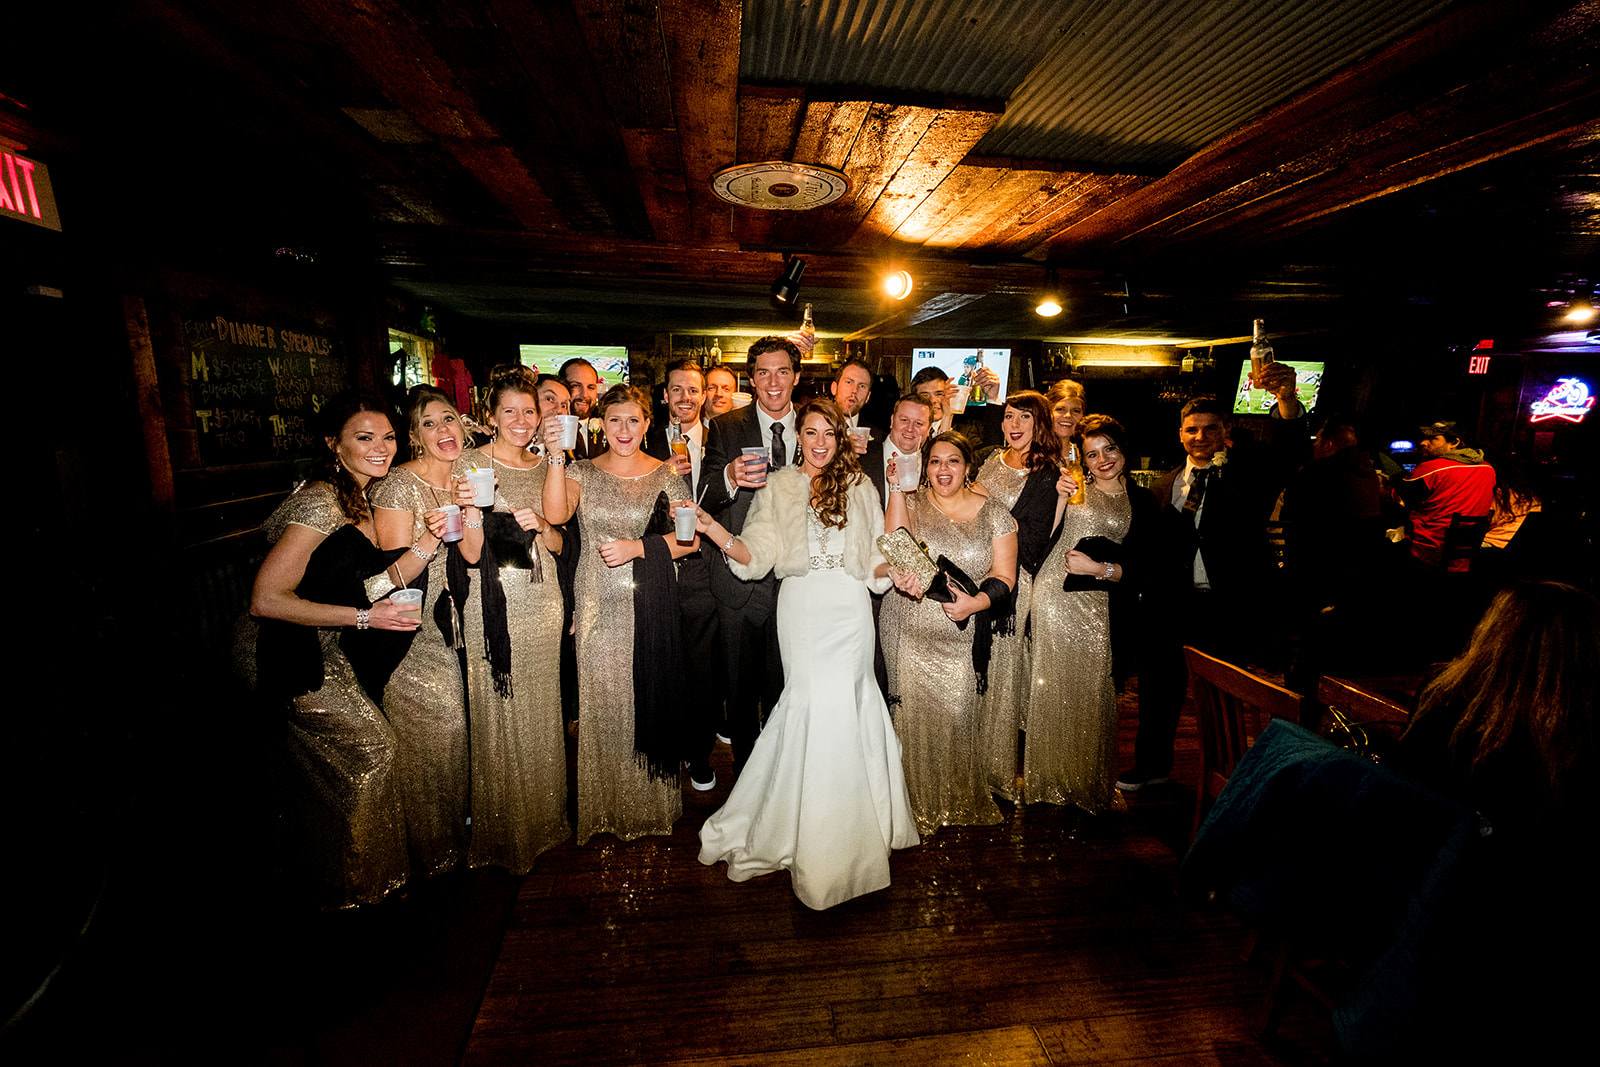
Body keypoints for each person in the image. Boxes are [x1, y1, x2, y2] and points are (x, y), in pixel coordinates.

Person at [695, 399, 919, 909]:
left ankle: (860, 829)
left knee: (851, 704)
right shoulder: (779, 485)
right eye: (811, 432)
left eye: (829, 434)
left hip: (850, 610)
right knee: (812, 705)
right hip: (802, 610)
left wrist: (903, 572)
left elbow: (876, 559)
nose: (820, 442)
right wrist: (716, 533)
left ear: (840, 440)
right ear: (799, 437)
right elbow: (757, 557)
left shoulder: (861, 485)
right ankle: (808, 832)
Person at [243, 391, 414, 908]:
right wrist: (367, 619)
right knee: (373, 751)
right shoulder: (321, 499)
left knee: (331, 772)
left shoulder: (360, 496)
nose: (380, 447)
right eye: (364, 438)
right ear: (333, 445)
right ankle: (359, 893)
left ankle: (347, 880)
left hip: (325, 643)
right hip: (282, 649)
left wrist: (426, 544)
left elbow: (365, 583)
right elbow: (265, 600)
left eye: (387, 436)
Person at [1120, 372, 1306, 793]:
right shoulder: (1165, 485)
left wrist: (1287, 400)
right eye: (1192, 429)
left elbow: (1292, 451)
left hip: (1230, 605)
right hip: (1173, 606)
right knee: (1158, 691)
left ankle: (1234, 771)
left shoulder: (1251, 476)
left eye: (1209, 429)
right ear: (1180, 434)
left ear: (1225, 432)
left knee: (1228, 695)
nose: (1200, 436)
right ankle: (1152, 767)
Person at [542, 383, 697, 843]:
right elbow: (555, 513)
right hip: (595, 601)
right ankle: (606, 807)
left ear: (648, 424)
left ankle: (650, 805)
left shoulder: (667, 474)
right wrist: (555, 455)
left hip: (651, 602)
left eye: (634, 420)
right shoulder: (582, 471)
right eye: (614, 420)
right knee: (604, 702)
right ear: (600, 425)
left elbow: (688, 541)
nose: (624, 430)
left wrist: (638, 547)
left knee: (650, 695)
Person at [454, 365, 570, 874]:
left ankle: (545, 819)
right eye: (510, 411)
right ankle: (506, 829)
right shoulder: (468, 464)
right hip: (492, 602)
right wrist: (476, 509)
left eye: (530, 410)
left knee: (543, 707)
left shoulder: (546, 463)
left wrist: (544, 520)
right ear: (491, 416)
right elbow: (471, 553)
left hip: (544, 602)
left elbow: (561, 536)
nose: (522, 419)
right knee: (497, 708)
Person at [882, 431, 1018, 835]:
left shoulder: (996, 513)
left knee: (957, 713)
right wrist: (894, 488)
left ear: (968, 466)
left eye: (953, 461)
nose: (944, 469)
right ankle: (907, 804)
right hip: (907, 625)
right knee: (908, 716)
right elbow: (897, 546)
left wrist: (975, 604)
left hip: (961, 632)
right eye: (935, 461)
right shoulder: (912, 503)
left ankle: (953, 795)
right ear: (925, 467)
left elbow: (1004, 576)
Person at [371, 385, 480, 876]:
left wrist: (473, 510)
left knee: (468, 729)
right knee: (441, 729)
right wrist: (430, 535)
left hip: (468, 616)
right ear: (414, 437)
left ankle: (462, 828)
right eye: (429, 424)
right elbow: (394, 576)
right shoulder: (399, 485)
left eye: (450, 419)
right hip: (416, 629)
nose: (444, 431)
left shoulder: (471, 475)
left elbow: (477, 552)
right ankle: (433, 849)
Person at [1026, 415, 1157, 812]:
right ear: (1082, 459)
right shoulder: (1075, 488)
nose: (1102, 460)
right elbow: (1042, 540)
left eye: (1109, 450)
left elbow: (1147, 568)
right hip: (1054, 593)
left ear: (1122, 449)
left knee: (1094, 687)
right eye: (1092, 454)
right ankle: (1050, 779)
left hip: (1102, 602)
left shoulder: (1143, 500)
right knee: (1053, 685)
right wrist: (1061, 498)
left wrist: (1100, 570)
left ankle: (1087, 780)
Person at [701, 337, 802, 775]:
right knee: (739, 689)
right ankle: (746, 777)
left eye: (782, 371)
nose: (773, 382)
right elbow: (705, 492)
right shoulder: (726, 426)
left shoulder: (819, 425)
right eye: (763, 372)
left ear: (796, 377)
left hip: (799, 580)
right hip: (740, 572)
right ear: (752, 379)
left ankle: (783, 773)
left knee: (790, 683)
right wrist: (729, 475)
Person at [972, 390, 1070, 801]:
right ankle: (969, 760)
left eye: (1024, 419)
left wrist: (993, 520)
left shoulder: (1048, 472)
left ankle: (994, 772)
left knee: (1002, 676)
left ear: (1039, 425)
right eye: (1009, 417)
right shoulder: (991, 461)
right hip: (972, 575)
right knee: (973, 671)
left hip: (1014, 582)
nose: (1014, 426)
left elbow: (1038, 539)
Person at [642, 359, 719, 790]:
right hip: (655, 565)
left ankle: (699, 752)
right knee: (659, 661)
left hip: (703, 569)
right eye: (677, 390)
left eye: (693, 390)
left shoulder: (721, 438)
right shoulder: (645, 440)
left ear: (704, 395)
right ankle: (663, 749)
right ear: (665, 395)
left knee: (700, 667)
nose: (685, 398)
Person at [1397, 420, 1495, 570]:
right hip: (1467, 556)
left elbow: (1401, 498)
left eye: (1433, 439)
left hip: (1428, 551)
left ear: (1454, 442)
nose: (1423, 443)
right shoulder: (1488, 469)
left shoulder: (1431, 468)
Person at [862, 393, 933, 504]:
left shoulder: (934, 467)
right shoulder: (861, 459)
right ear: (892, 421)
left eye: (919, 423)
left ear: (929, 429)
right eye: (904, 420)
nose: (910, 429)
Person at [559, 357, 606, 457]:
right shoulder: (548, 426)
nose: (584, 395)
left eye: (591, 387)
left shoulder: (609, 423)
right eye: (575, 385)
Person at [830, 357, 876, 454]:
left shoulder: (877, 438)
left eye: (862, 386)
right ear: (834, 388)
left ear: (868, 397)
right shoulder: (815, 428)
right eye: (849, 382)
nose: (854, 390)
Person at [1047, 379, 1086, 443]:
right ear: (1047, 411)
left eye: (1076, 411)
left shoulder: (1086, 450)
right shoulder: (1031, 450)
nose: (1068, 415)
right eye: (1060, 409)